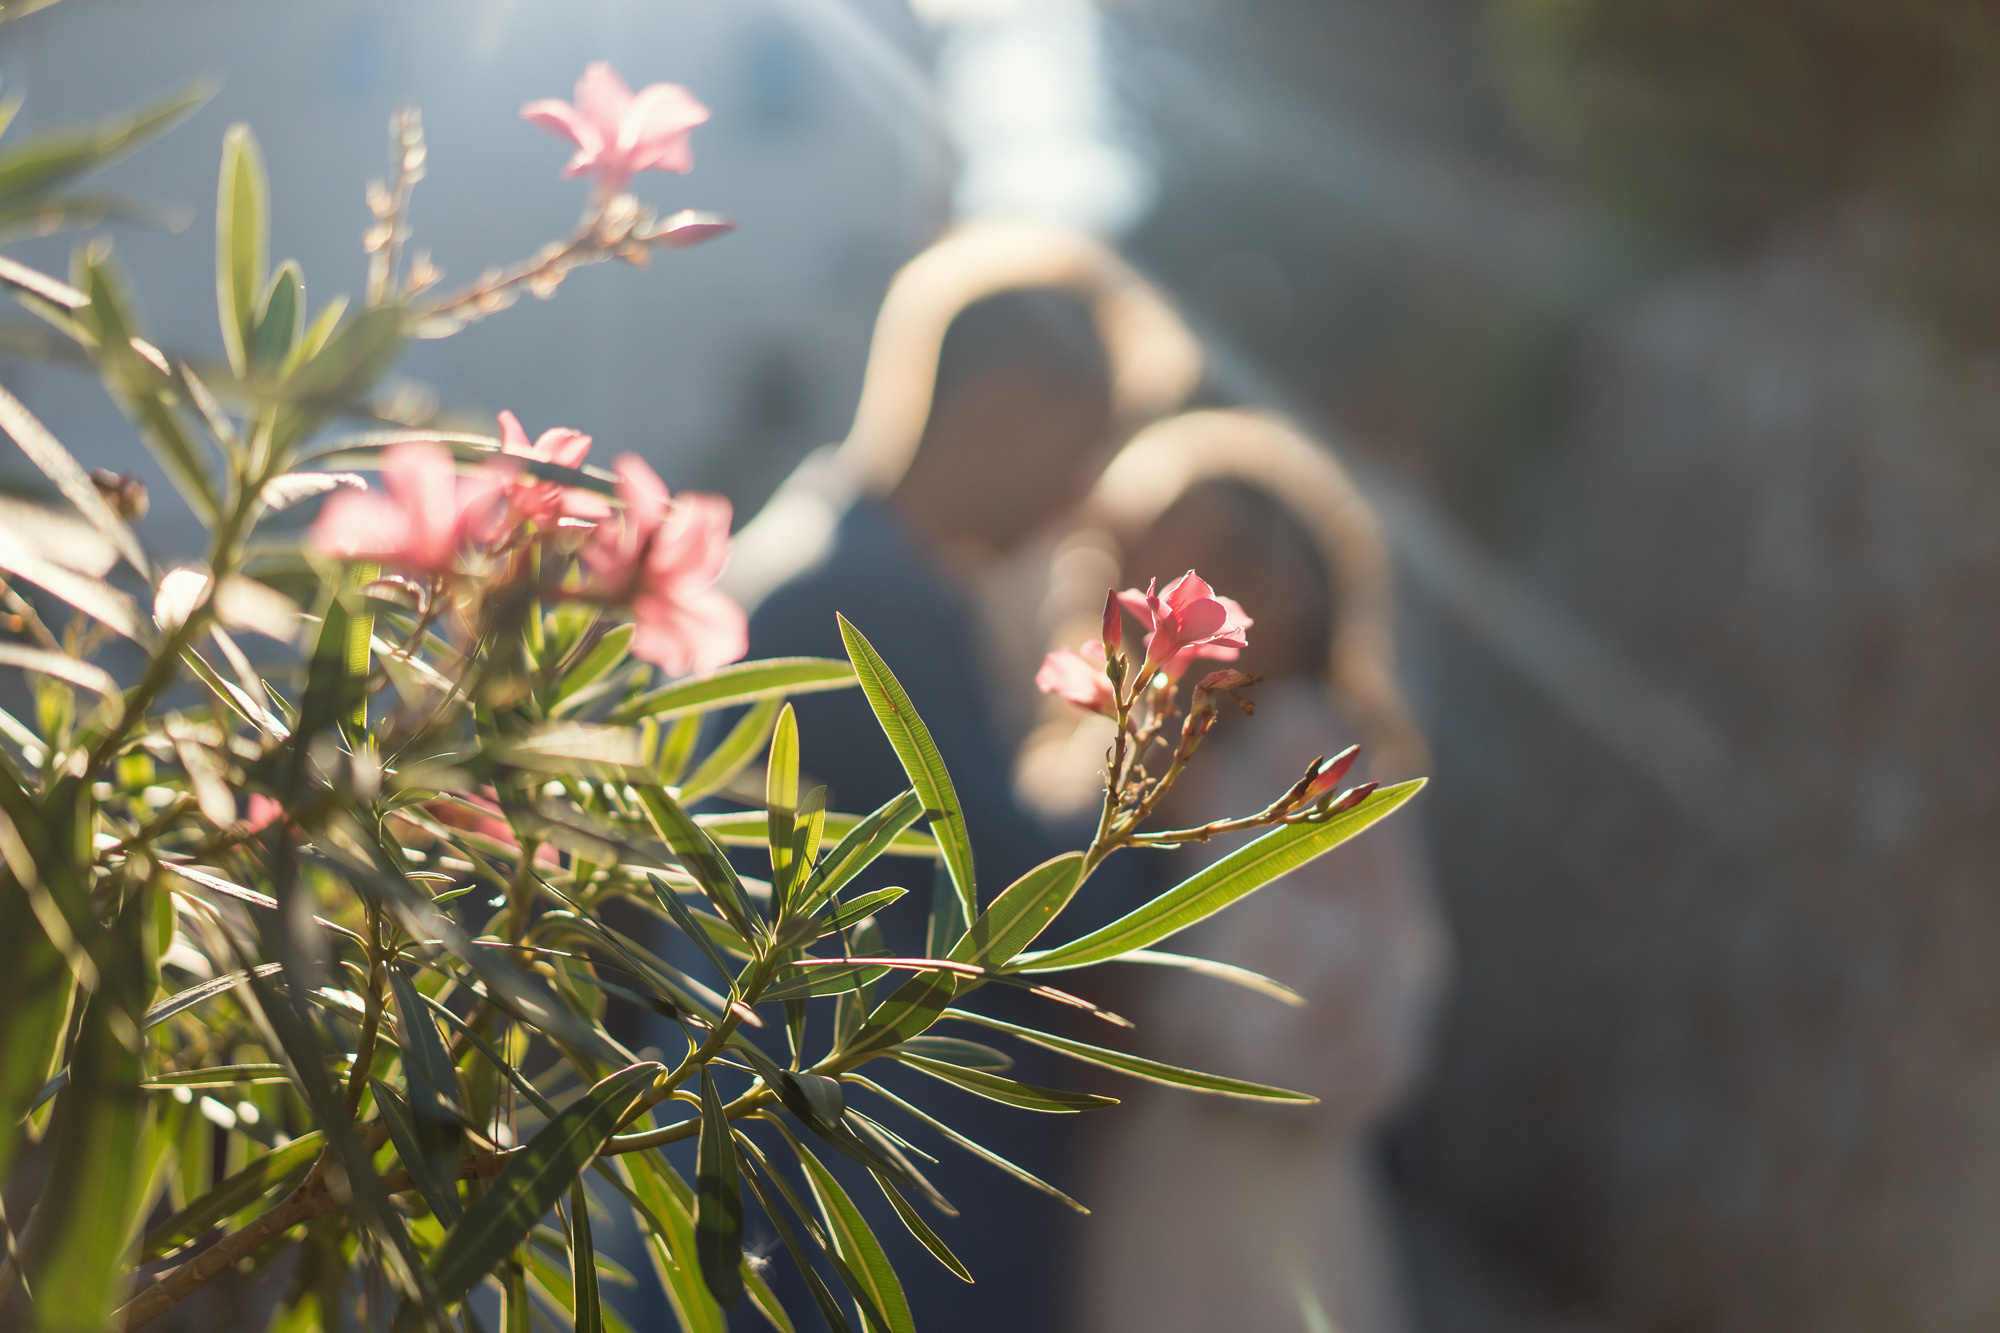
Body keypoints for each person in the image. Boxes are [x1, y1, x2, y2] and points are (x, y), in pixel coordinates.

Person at [724, 221, 1199, 1333]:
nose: (1083, 502)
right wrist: (1161, 765)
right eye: (1084, 451)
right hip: (860, 1220)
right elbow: (1016, 917)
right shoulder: (867, 603)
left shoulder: (821, 561)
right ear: (1007, 414)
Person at [1018, 409, 1451, 1333]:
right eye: (1162, 562)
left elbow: (1377, 1022)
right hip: (1138, 1199)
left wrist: (1194, 839)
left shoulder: (1323, 752)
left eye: (1241, 555)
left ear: (1305, 577)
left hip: (1262, 1201)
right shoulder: (1094, 763)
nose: (1221, 594)